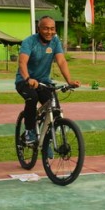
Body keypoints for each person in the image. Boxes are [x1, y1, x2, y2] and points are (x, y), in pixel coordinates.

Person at [16, 16, 81, 144]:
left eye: (52, 29)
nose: (49, 32)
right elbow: (22, 62)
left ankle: (46, 142)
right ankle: (29, 131)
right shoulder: (29, 42)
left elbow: (61, 61)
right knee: (32, 98)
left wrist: (69, 81)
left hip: (44, 82)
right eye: (46, 29)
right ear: (39, 29)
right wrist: (28, 79)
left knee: (55, 109)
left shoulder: (55, 42)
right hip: (25, 81)